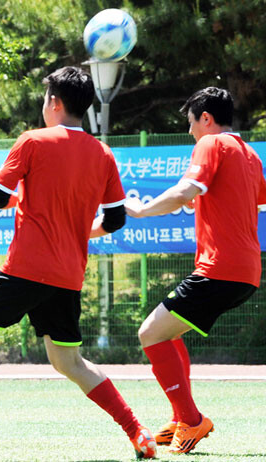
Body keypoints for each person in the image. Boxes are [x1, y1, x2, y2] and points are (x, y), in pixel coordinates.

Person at [0, 66, 157, 460]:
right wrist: (75, 230)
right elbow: (116, 219)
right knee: (69, 361)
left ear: (54, 102)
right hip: (67, 276)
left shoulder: (32, 140)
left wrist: (26, 201)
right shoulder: (102, 152)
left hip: (25, 270)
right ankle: (138, 431)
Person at [125, 87, 266, 454]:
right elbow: (253, 201)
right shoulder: (250, 154)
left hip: (219, 268)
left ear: (206, 118)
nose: (190, 131)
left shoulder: (211, 144)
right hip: (247, 271)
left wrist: (140, 211)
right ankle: (180, 419)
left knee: (149, 333)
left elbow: (185, 191)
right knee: (168, 333)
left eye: (191, 123)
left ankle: (191, 419)